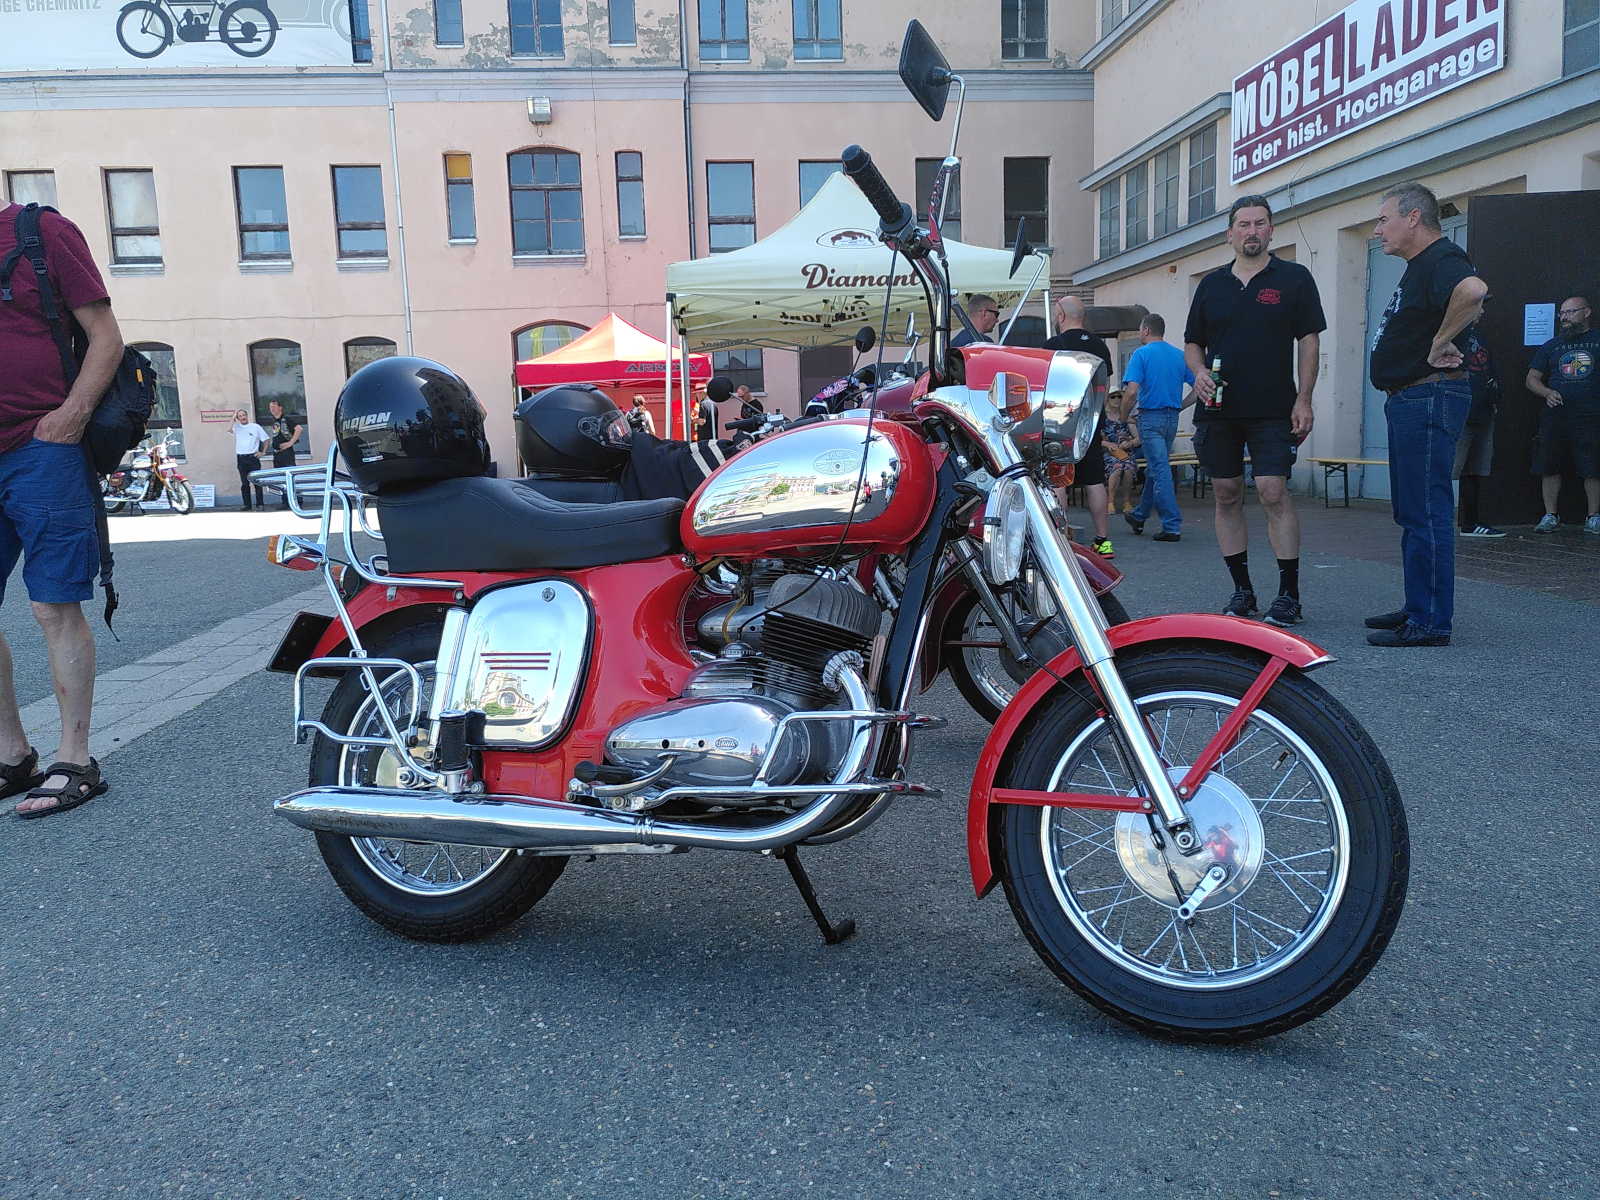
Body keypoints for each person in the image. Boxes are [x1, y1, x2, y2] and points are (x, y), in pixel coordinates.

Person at [0, 198, 124, 817]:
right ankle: (12, 754)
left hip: (40, 447)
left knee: (53, 604)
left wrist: (70, 418)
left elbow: (105, 334)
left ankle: (75, 760)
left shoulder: (40, 231)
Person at [1184, 195, 1327, 626]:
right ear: (1230, 234)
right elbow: (1193, 342)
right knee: (1226, 494)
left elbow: (1310, 341)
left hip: (1273, 407)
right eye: (1243, 225)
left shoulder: (1294, 279)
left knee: (1271, 489)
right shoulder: (1210, 285)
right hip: (1218, 407)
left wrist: (1304, 398)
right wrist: (1198, 372)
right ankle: (1242, 590)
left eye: (1259, 224)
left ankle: (1289, 595)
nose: (1252, 231)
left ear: (1270, 230)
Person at [1365, 181, 1488, 648]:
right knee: (1413, 510)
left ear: (1413, 218)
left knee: (1428, 512)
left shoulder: (1441, 258)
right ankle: (1419, 606)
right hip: (1413, 397)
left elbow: (1474, 291)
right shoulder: (1422, 266)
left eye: (1383, 219)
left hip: (1428, 396)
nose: (1378, 229)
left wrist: (1439, 343)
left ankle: (1431, 621)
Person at [1043, 296, 1115, 556]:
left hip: (1061, 419)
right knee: (1095, 480)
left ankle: (1060, 540)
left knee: (1059, 478)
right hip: (1091, 420)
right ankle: (1103, 541)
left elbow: (1046, 384)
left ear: (1061, 315)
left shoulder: (1054, 345)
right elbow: (1104, 387)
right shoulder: (1100, 346)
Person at [1525, 295, 1600, 534]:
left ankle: (1593, 518)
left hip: (1591, 416)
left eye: (1570, 312)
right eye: (1562, 313)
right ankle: (1550, 516)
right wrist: (1547, 392)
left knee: (1592, 467)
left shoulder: (1597, 341)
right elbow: (1531, 379)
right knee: (1549, 465)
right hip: (1556, 417)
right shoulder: (1552, 345)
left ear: (1586, 313)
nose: (1564, 318)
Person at [1122, 314, 1194, 543]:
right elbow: (1199, 389)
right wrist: (1179, 407)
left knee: (1160, 470)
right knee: (1155, 469)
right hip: (1171, 417)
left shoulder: (1141, 354)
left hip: (1149, 418)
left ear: (1145, 330)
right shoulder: (1179, 355)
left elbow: (1132, 391)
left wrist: (1124, 416)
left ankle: (1172, 525)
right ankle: (1140, 515)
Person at [1455, 324, 1504, 538]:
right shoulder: (1451, 331)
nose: (1482, 311)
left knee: (1473, 470)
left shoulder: (1480, 336)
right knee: (1446, 468)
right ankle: (1430, 523)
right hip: (1459, 412)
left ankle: (1471, 523)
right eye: (1479, 305)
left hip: (1482, 412)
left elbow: (1489, 368)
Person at [1102, 388, 1140, 522]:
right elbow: (1094, 439)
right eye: (1113, 397)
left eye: (1119, 396)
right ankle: (1110, 502)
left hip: (1125, 452)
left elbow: (1137, 438)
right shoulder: (1102, 418)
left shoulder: (1125, 417)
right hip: (1108, 451)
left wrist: (1130, 443)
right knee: (1117, 467)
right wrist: (1107, 444)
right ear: (1107, 399)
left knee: (1128, 468)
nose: (1117, 399)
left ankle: (1126, 501)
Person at [266, 398, 303, 508]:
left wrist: (290, 443)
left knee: (290, 477)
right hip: (277, 454)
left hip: (286, 453)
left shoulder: (286, 419)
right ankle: (285, 502)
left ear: (280, 407)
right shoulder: (274, 421)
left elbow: (299, 429)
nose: (272, 408)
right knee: (281, 478)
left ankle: (297, 501)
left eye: (274, 406)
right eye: (271, 407)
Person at [230, 408, 269, 510]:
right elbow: (228, 429)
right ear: (238, 418)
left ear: (247, 416)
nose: (242, 417)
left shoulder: (255, 427)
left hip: (253, 457)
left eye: (244, 415)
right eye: (240, 416)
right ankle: (247, 505)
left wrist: (263, 452)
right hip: (241, 458)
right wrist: (232, 419)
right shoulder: (237, 427)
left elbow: (266, 439)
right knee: (244, 483)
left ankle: (260, 504)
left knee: (257, 482)